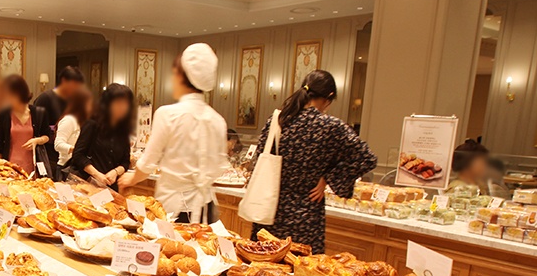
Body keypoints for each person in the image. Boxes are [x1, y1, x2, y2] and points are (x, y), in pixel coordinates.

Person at [248, 70, 376, 252]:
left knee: (265, 261)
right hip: (306, 214)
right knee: (303, 265)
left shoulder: (277, 121)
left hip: (269, 210)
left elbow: (260, 156)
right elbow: (366, 157)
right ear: (329, 97)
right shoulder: (330, 126)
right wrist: (328, 178)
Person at [121, 44, 229, 223]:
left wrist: (131, 179)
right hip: (207, 207)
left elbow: (148, 163)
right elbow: (219, 167)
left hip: (176, 208)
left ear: (181, 76)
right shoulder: (218, 120)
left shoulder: (168, 114)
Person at [69, 83, 134, 189]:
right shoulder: (93, 124)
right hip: (87, 184)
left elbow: (125, 161)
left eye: (126, 103)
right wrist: (97, 175)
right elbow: (78, 155)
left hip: (110, 187)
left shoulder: (123, 129)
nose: (123, 107)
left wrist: (115, 172)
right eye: (118, 103)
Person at [0, 74, 54, 177]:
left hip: (33, 167)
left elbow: (47, 136)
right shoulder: (2, 115)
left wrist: (37, 140)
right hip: (10, 167)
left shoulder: (38, 113)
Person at [53, 87, 90, 179]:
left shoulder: (86, 121)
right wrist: (76, 150)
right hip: (66, 167)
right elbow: (58, 144)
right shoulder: (69, 120)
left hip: (80, 167)